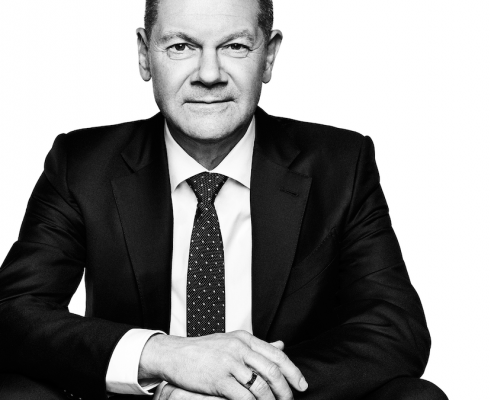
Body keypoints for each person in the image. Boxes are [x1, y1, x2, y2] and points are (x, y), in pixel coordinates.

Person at [0, 0, 447, 399]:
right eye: (181, 46)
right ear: (144, 54)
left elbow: (395, 328)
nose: (209, 74)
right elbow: (12, 313)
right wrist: (165, 357)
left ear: (268, 56)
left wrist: (245, 386)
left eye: (234, 46)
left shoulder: (340, 165)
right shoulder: (83, 166)